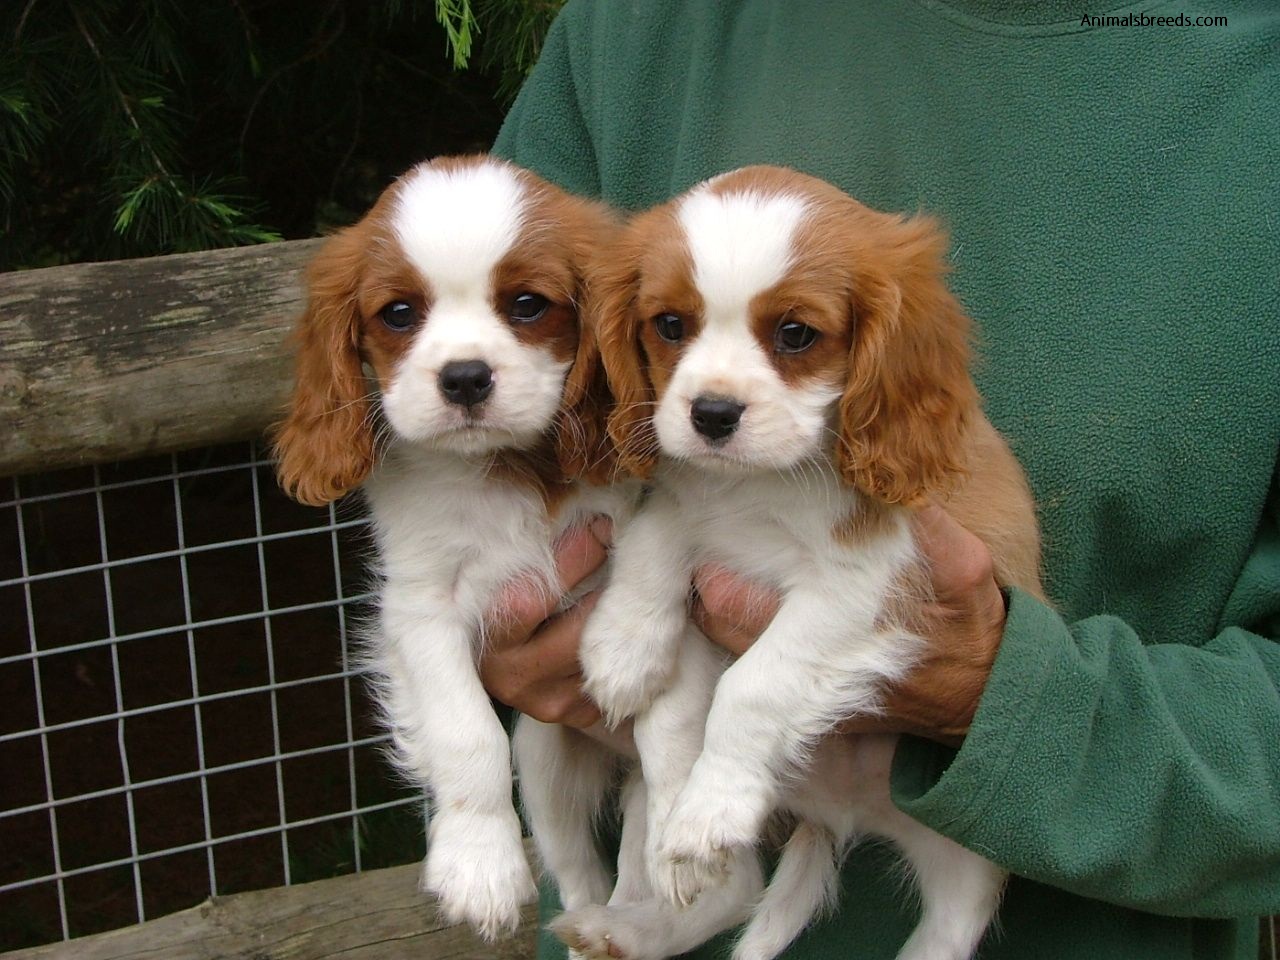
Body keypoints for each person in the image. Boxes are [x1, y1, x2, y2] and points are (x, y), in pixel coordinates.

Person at [479, 1, 1280, 957]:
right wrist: (499, 614)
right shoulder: (633, 36)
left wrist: (1013, 697)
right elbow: (478, 486)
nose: (717, 384)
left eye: (796, 335)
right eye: (673, 328)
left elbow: (874, 574)